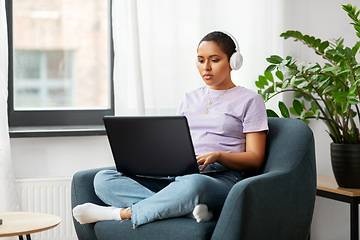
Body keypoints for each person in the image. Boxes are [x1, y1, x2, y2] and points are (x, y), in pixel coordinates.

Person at [72, 31, 268, 228]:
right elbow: (177, 142)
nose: (206, 67)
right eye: (200, 60)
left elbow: (255, 158)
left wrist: (218, 155)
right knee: (104, 179)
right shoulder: (189, 98)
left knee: (193, 185)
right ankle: (186, 210)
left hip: (219, 179)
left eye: (214, 60)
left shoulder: (250, 100)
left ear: (233, 62)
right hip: (177, 177)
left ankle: (119, 214)